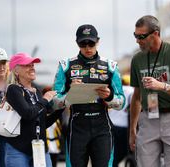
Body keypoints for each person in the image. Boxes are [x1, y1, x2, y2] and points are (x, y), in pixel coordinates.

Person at [53, 24, 125, 167]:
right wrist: (69, 94)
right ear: (77, 43)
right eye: (83, 43)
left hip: (102, 126)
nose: (87, 47)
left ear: (97, 41)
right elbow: (53, 101)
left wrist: (109, 97)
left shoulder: (110, 66)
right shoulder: (65, 65)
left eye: (91, 43)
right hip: (77, 125)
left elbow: (121, 102)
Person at [129, 15, 170, 167]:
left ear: (155, 34)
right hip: (148, 119)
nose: (137, 40)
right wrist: (132, 129)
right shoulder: (137, 59)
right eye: (135, 36)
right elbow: (136, 97)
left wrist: (162, 86)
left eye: (141, 36)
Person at [5, 53, 63, 167]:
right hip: (18, 150)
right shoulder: (13, 89)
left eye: (32, 65)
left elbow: (43, 123)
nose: (32, 67)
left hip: (39, 149)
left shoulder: (36, 91)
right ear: (16, 71)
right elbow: (27, 113)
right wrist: (45, 99)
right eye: (27, 65)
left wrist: (61, 108)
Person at [108, 75, 134, 167]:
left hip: (112, 124)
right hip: (124, 127)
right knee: (123, 153)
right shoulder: (132, 91)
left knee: (113, 153)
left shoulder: (114, 91)